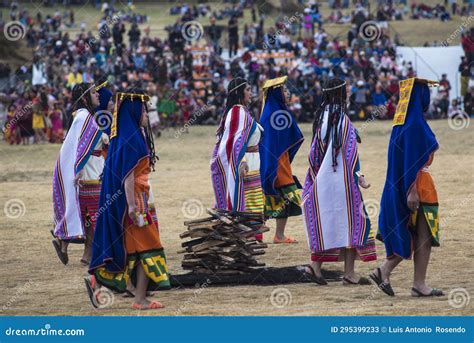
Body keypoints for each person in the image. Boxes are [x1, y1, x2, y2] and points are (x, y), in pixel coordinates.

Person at [86, 91, 170, 310]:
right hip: (137, 202)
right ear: (134, 111)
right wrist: (133, 206)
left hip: (132, 201)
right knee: (149, 248)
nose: (146, 115)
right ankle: (139, 299)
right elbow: (128, 176)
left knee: (131, 249)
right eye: (143, 110)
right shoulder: (132, 138)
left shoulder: (122, 135)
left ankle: (99, 281)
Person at [372, 78, 444, 297]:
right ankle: (400, 277)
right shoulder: (415, 124)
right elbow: (413, 161)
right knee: (423, 235)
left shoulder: (400, 123)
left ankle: (413, 282)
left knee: (416, 233)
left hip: (412, 185)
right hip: (420, 187)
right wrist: (412, 190)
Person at [302, 78, 375, 285]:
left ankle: (315, 267)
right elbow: (350, 153)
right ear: (340, 93)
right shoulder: (340, 118)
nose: (350, 91)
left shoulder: (323, 116)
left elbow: (316, 151)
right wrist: (358, 176)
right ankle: (349, 273)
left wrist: (315, 175)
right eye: (347, 89)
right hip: (343, 181)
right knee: (352, 223)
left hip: (325, 180)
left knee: (332, 223)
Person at [51, 82, 108, 266]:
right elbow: (81, 147)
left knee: (88, 214)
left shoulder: (82, 116)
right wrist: (79, 168)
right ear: (85, 98)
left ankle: (66, 242)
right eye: (93, 93)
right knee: (94, 214)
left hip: (90, 169)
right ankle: (86, 254)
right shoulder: (84, 117)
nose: (97, 95)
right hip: (90, 171)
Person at [211, 78, 265, 219]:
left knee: (254, 199)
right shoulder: (237, 112)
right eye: (247, 90)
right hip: (247, 163)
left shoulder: (241, 111)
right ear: (238, 92)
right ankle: (250, 234)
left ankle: (253, 235)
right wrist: (241, 160)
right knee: (250, 200)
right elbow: (233, 143)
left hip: (253, 161)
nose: (251, 93)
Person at [259, 76, 304, 244]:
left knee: (280, 198)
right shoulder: (274, 113)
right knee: (278, 196)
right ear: (277, 93)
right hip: (276, 163)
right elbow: (271, 142)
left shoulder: (276, 110)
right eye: (284, 90)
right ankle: (261, 234)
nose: (288, 92)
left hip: (280, 161)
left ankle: (278, 235)